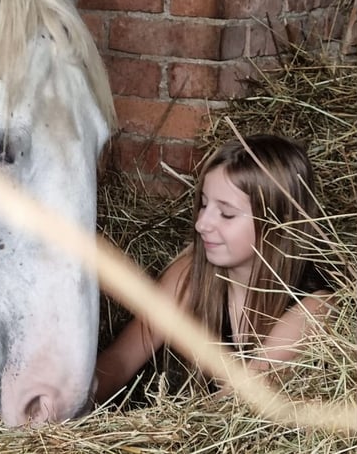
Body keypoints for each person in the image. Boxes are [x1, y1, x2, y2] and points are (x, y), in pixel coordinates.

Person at [94, 134, 336, 403]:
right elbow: (121, 360)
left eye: (227, 213)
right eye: (205, 205)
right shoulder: (190, 274)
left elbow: (234, 408)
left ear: (279, 222)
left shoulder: (314, 306)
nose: (201, 224)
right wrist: (67, 407)